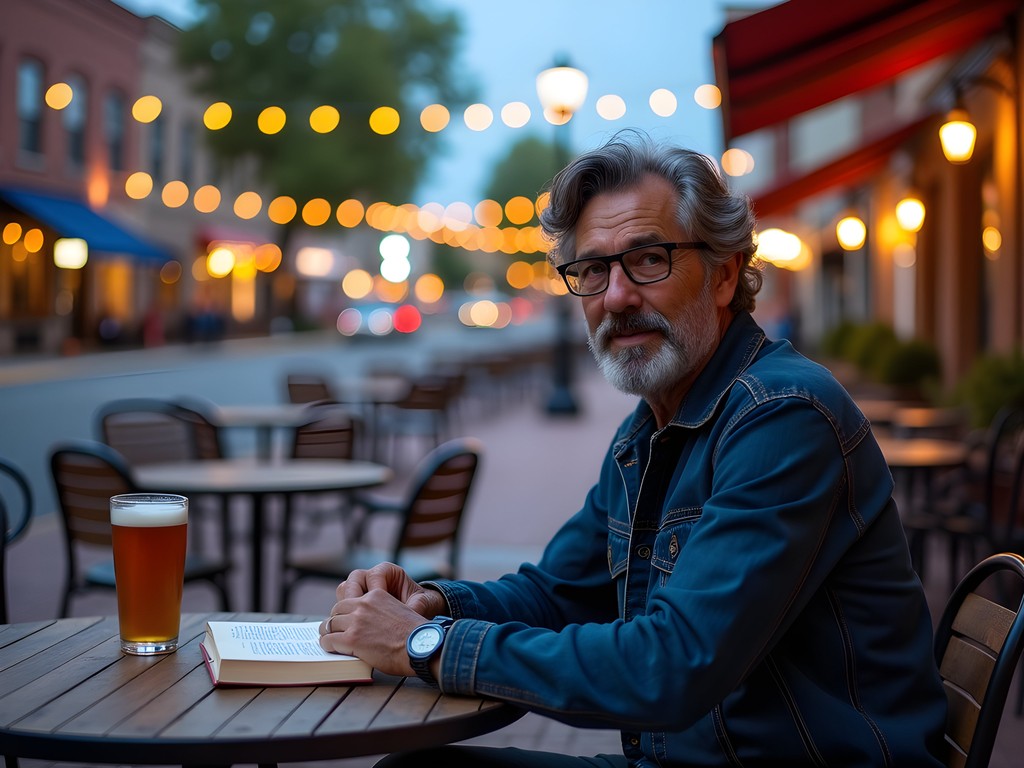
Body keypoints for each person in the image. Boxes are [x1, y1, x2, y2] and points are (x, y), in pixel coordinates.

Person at [319, 131, 948, 767]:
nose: (616, 297)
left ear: (724, 275)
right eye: (593, 270)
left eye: (649, 260)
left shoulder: (782, 416)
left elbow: (672, 667)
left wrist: (426, 646)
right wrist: (434, 603)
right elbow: (558, 593)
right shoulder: (646, 432)